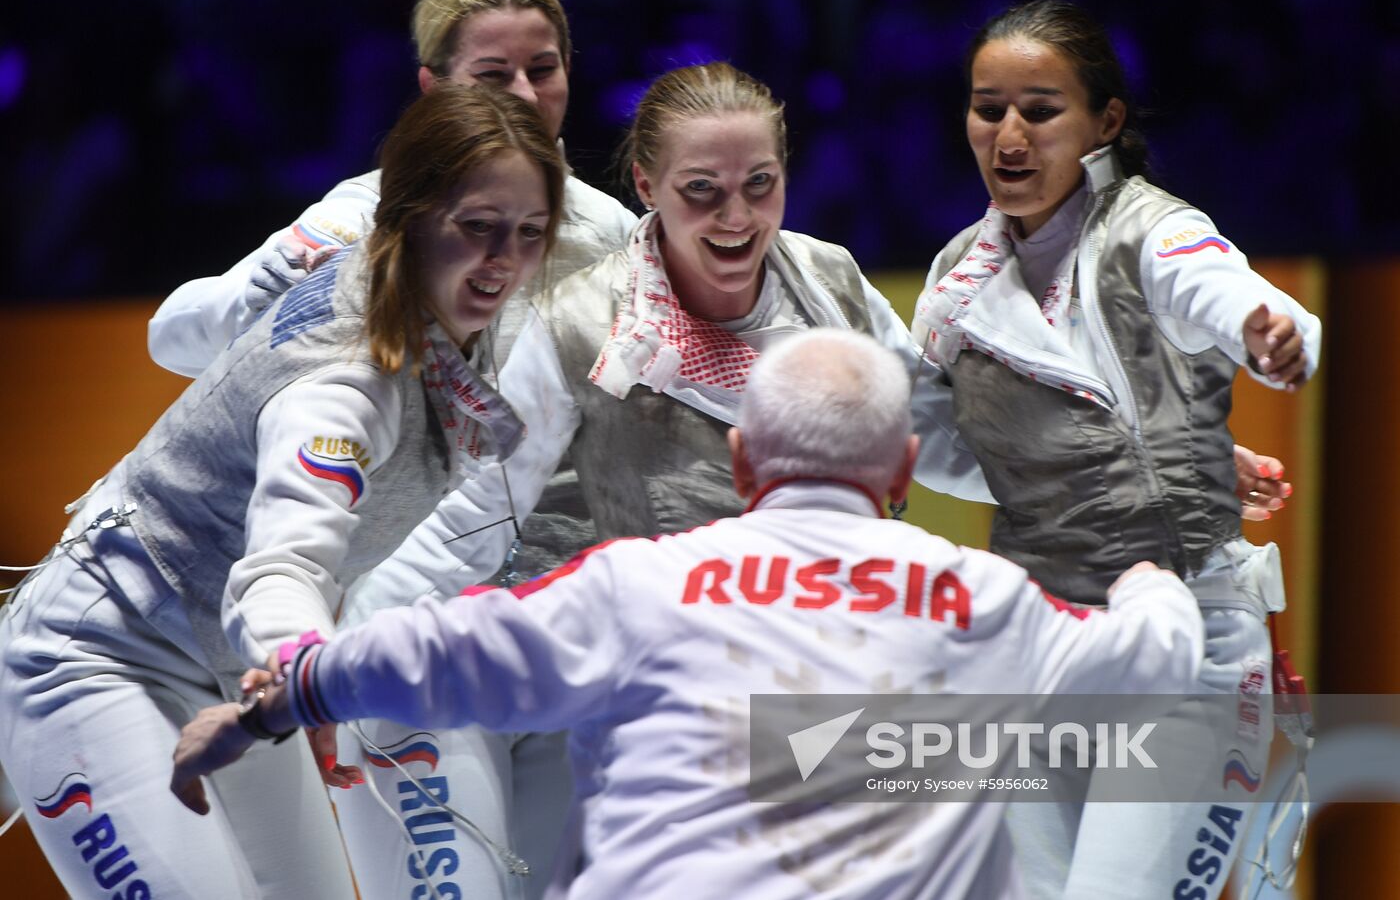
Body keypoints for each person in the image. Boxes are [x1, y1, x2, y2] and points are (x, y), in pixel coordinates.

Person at [171, 328, 1207, 900]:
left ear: (744, 460)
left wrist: (283, 691)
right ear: (900, 470)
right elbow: (1150, 664)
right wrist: (1146, 579)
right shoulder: (980, 599)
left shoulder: (636, 580)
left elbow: (445, 646)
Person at [324, 59, 988, 900]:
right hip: (674, 713)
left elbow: (954, 443)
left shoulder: (830, 285)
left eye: (760, 183)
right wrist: (336, 666)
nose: (737, 216)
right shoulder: (579, 325)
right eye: (702, 189)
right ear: (646, 183)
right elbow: (475, 519)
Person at [143, 0, 635, 898]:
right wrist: (303, 278)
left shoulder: (610, 234)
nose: (527, 94)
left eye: (545, 67)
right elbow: (180, 336)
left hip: (546, 629)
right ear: (432, 90)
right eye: (495, 75)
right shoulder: (364, 215)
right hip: (399, 623)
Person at [0, 85, 563, 899]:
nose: (504, 260)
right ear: (406, 213)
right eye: (477, 228)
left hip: (225, 674)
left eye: (530, 233)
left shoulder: (411, 285)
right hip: (94, 656)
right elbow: (279, 571)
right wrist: (310, 674)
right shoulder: (344, 387)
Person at [910, 0, 1322, 900]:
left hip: (1185, 645)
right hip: (1037, 647)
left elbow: (1229, 293)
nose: (1009, 135)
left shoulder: (1153, 232)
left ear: (1105, 121)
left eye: (1041, 110)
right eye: (989, 109)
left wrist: (1272, 334)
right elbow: (956, 452)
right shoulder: (955, 277)